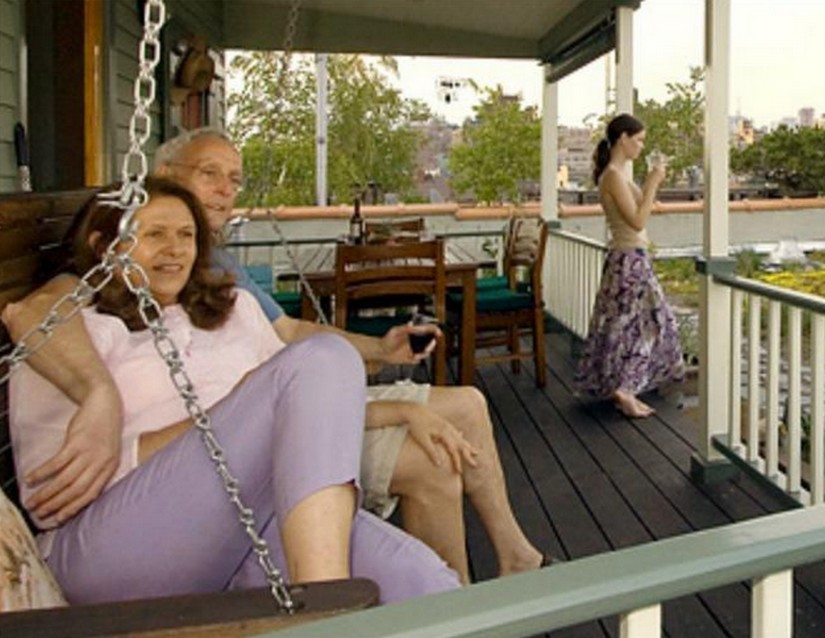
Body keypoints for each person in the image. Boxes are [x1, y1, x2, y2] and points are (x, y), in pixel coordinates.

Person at [3, 128, 547, 583]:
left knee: (428, 586)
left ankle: (476, 584)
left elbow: (290, 372)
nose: (174, 248)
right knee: (326, 363)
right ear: (106, 247)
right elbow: (33, 318)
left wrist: (391, 382)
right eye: (155, 234)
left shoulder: (226, 303)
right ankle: (327, 603)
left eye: (185, 235)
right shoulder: (77, 327)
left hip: (250, 505)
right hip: (120, 537)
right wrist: (108, 400)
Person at [574, 114, 685, 418]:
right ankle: (624, 389)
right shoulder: (612, 175)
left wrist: (651, 186)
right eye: (638, 140)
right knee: (650, 323)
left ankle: (624, 387)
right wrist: (650, 183)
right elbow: (636, 220)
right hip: (628, 260)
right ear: (622, 138)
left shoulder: (620, 174)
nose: (641, 146)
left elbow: (642, 211)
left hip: (632, 257)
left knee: (628, 327)